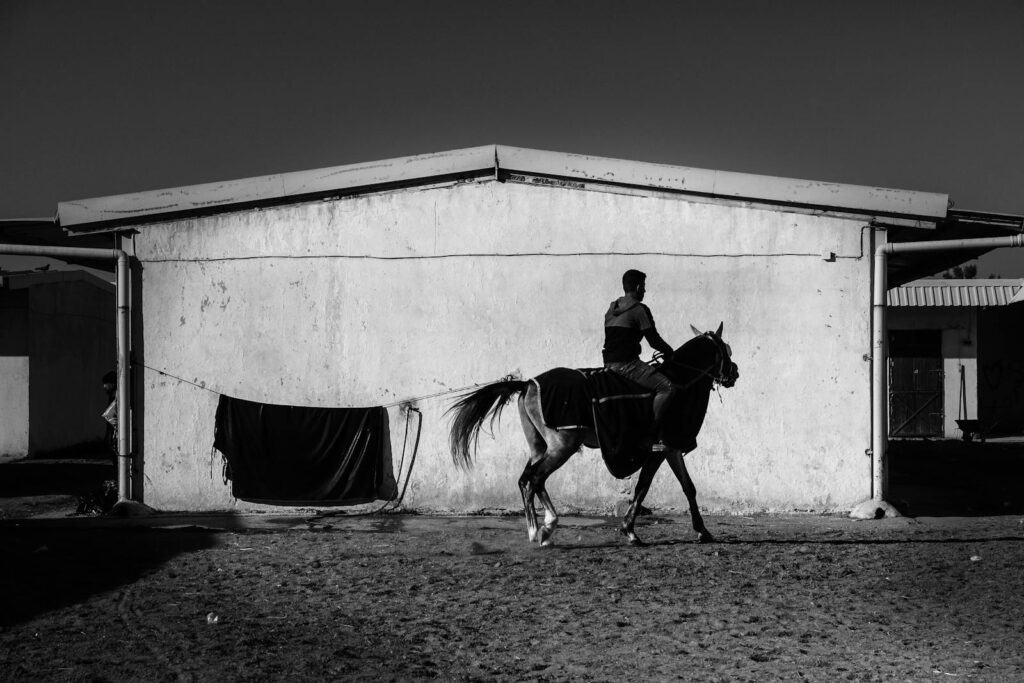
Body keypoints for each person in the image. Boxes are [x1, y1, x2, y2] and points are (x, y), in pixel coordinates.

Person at [602, 269, 677, 444]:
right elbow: (654, 341)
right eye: (643, 287)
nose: (644, 291)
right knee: (667, 388)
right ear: (637, 287)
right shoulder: (639, 309)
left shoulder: (611, 309)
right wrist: (670, 352)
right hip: (628, 365)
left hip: (608, 364)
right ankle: (651, 434)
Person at [101, 370, 118, 464]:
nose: (104, 386)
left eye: (106, 384)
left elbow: (112, 415)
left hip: (115, 430)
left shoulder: (115, 396)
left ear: (112, 384)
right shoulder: (113, 395)